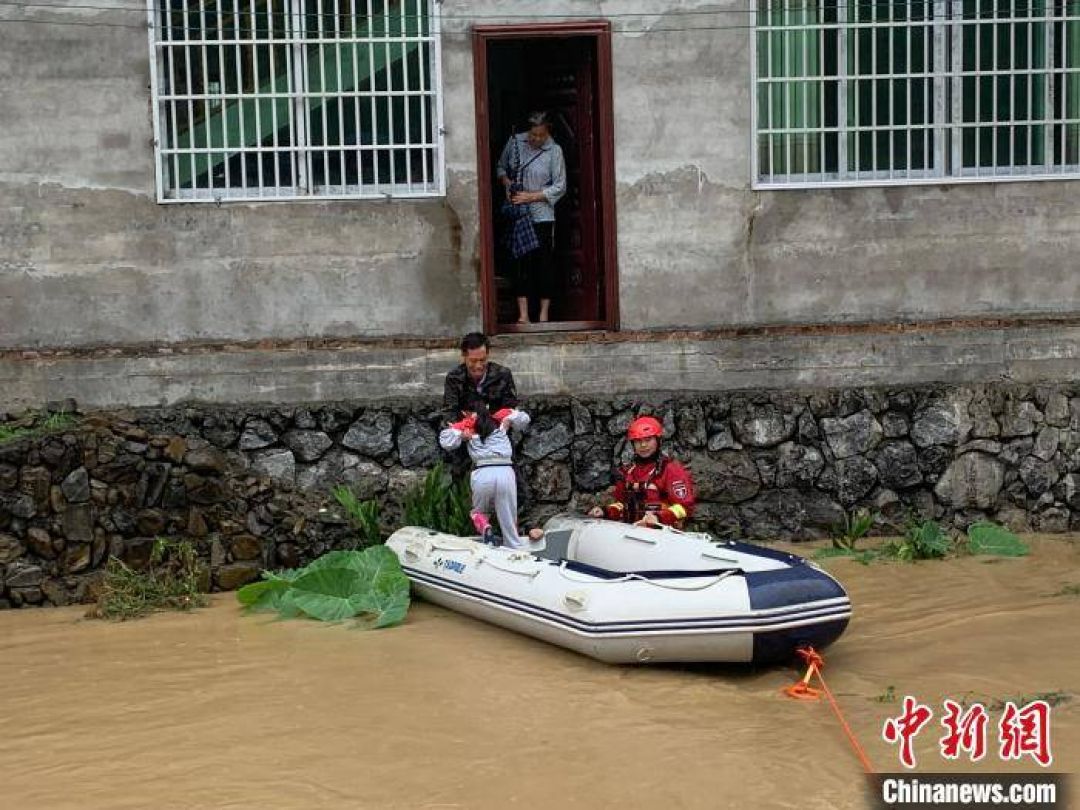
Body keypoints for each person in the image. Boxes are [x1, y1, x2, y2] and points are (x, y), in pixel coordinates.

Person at [439, 401, 543, 550]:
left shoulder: (465, 425)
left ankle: (486, 528)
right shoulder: (501, 417)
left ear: (464, 412)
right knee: (508, 516)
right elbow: (524, 419)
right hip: (505, 471)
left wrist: (463, 436)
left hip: (483, 472)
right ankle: (514, 548)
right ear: (487, 408)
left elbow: (446, 441)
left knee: (479, 512)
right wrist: (509, 421)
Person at [496, 111, 567, 325]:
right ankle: (523, 314)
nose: (535, 139)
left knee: (544, 263)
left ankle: (544, 314)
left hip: (542, 215)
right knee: (521, 263)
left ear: (547, 133)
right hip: (519, 214)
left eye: (540, 136)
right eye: (533, 135)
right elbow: (500, 167)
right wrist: (508, 185)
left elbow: (559, 186)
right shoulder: (515, 142)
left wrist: (532, 196)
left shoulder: (554, 151)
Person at [589, 416, 696, 529]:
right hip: (632, 531)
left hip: (662, 533)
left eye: (648, 440)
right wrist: (605, 511)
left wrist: (659, 517)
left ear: (658, 441)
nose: (643, 445)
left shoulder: (670, 469)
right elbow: (621, 504)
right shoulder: (628, 471)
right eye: (638, 441)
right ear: (633, 444)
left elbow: (684, 507)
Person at [442, 332, 518, 426]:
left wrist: (507, 421)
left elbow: (511, 407)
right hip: (465, 430)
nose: (478, 366)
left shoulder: (503, 375)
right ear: (464, 357)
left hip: (498, 430)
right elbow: (449, 412)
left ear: (488, 355)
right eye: (473, 361)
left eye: (483, 360)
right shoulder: (454, 378)